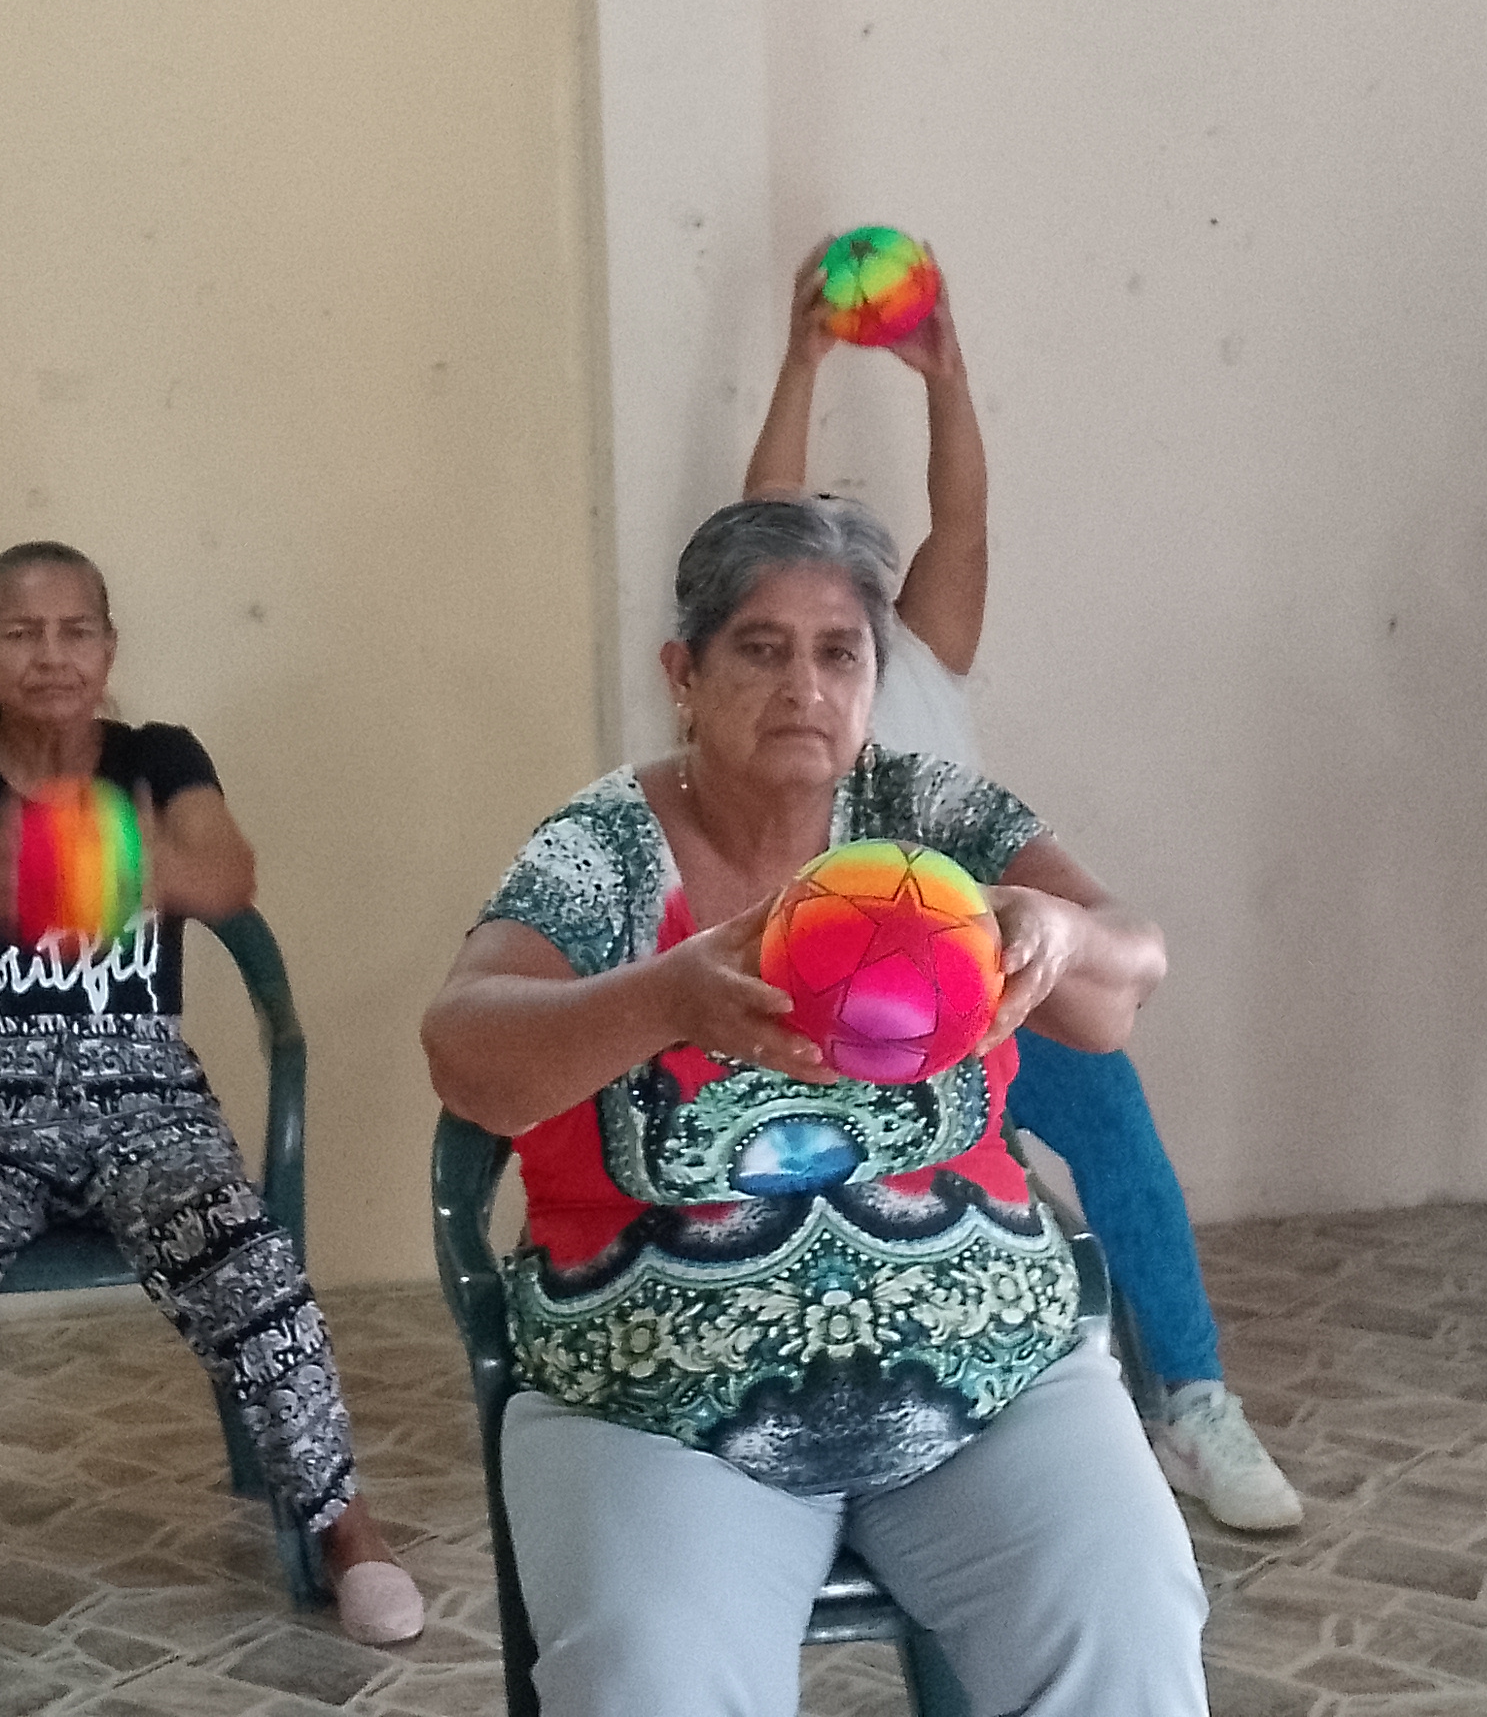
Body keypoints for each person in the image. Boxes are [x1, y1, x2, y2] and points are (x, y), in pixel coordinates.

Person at [422, 496, 1209, 1717]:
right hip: (661, 1403)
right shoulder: (606, 849)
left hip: (990, 1379)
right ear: (684, 676)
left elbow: (1126, 975)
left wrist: (1058, 932)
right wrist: (664, 998)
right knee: (651, 1679)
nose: (804, 686)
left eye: (839, 652)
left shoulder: (927, 820)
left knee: (1128, 1621)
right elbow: (465, 1048)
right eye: (761, 648)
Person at [0, 543, 421, 1689]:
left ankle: (347, 1530)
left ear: (108, 648)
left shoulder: (160, 757)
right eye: (20, 633)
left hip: (144, 1095)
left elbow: (229, 874)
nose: (49, 655)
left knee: (250, 1265)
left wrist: (133, 858)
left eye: (75, 631)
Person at [741, 236, 1300, 1532]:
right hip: (840, 1004)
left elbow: (966, 522)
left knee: (1113, 1117)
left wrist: (946, 374)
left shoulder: (924, 655)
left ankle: (1195, 1403)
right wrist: (801, 357)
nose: (825, 639)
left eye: (849, 607)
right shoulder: (784, 678)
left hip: (981, 971)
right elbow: (757, 523)